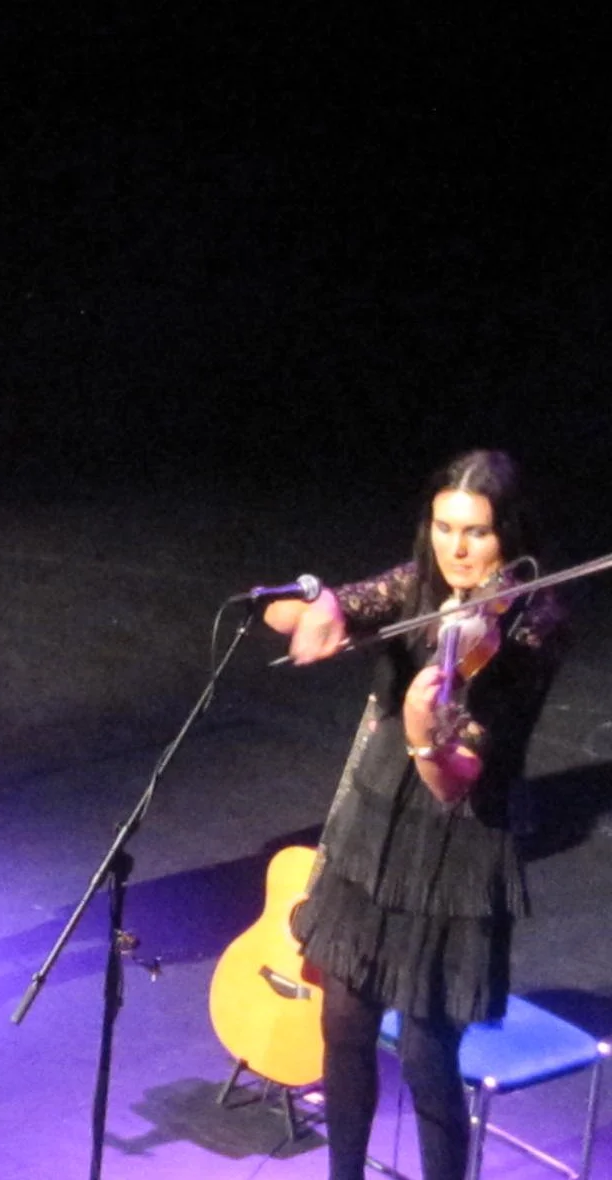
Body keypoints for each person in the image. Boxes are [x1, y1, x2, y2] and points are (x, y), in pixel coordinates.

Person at [264, 449, 566, 1180]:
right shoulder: (421, 583)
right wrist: (323, 610)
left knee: (430, 1055)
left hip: (455, 849)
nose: (458, 550)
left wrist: (422, 732)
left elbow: (455, 782)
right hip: (374, 831)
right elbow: (321, 605)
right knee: (343, 1023)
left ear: (510, 536)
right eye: (445, 527)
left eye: (479, 533)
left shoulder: (531, 626)